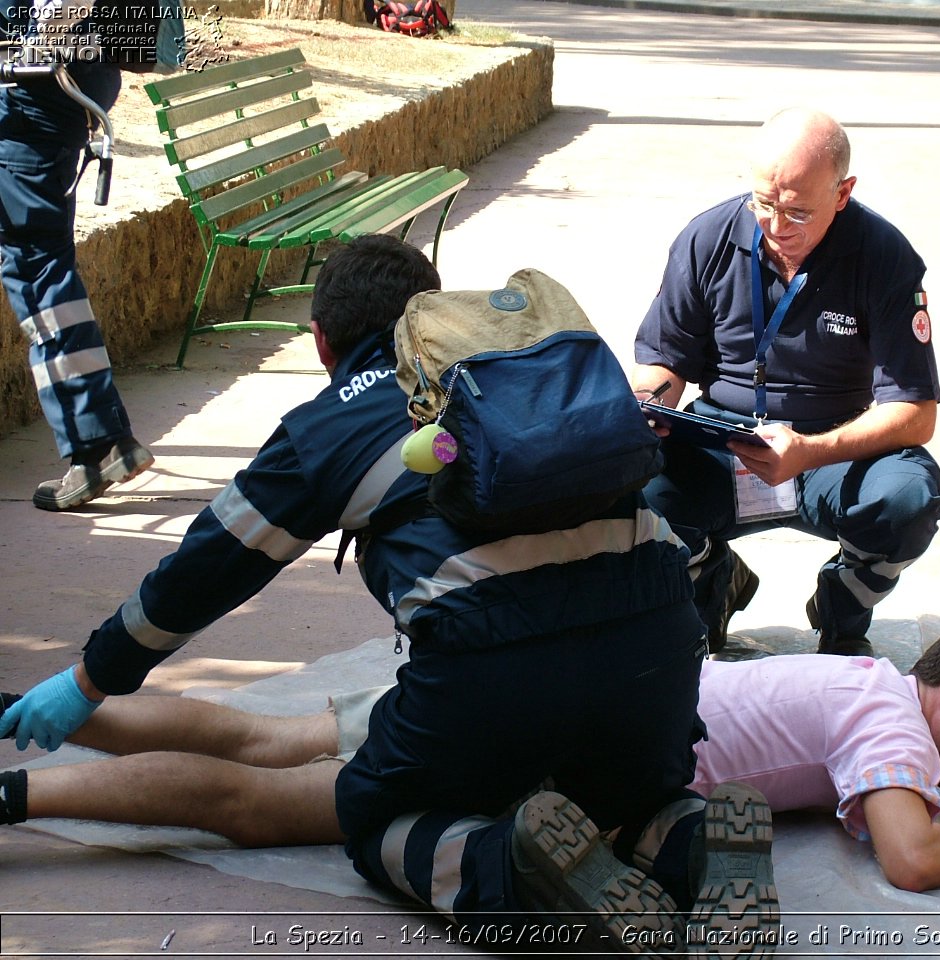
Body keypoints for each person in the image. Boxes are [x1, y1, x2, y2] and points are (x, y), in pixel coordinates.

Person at [0, 233, 778, 953]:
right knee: (619, 793)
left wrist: (90, 678)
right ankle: (687, 835)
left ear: (320, 340)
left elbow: (199, 575)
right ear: (428, 317)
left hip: (493, 663)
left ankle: (503, 868)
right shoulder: (532, 374)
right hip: (656, 645)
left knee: (373, 818)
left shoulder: (323, 430)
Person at [1, 619, 940, 894]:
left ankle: (22, 716)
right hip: (548, 743)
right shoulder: (893, 726)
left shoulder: (867, 688)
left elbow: (907, 809)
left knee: (262, 738)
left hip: (531, 691)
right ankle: (14, 790)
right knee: (259, 806)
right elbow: (910, 859)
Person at [631, 107, 940, 656]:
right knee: (626, 481)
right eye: (764, 204)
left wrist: (810, 451)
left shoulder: (885, 257)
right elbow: (667, 359)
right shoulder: (707, 239)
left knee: (908, 497)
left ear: (842, 193)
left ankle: (841, 605)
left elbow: (916, 412)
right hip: (722, 438)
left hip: (831, 447)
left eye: (799, 213)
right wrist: (647, 405)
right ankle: (711, 584)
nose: (776, 228)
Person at [0, 4, 154, 510]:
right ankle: (108, 440)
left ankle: (98, 444)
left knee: (39, 275)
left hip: (37, 91)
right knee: (44, 270)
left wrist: (38, 42)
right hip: (61, 87)